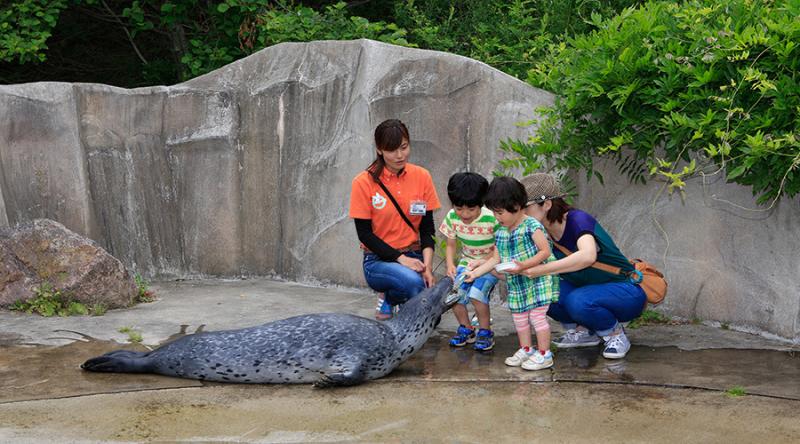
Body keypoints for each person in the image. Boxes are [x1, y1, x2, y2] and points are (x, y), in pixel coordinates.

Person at [520, 173, 646, 359]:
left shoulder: (578, 219)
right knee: (542, 291)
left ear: (546, 205)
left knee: (578, 300)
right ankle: (585, 332)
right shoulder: (540, 230)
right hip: (588, 291)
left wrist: (542, 269)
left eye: (525, 207)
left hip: (626, 292)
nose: (521, 214)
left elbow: (587, 256)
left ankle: (614, 334)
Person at [462, 177, 559, 370]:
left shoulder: (532, 226)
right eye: (495, 212)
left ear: (516, 206)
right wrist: (475, 274)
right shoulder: (501, 232)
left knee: (537, 318)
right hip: (518, 283)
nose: (497, 218)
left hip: (538, 280)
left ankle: (544, 354)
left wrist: (523, 265)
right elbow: (494, 260)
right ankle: (526, 349)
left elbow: (545, 252)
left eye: (500, 212)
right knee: (520, 317)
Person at [349, 119, 441, 320]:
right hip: (378, 260)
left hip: (415, 255)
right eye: (392, 150)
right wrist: (401, 259)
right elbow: (364, 234)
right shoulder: (363, 183)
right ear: (380, 150)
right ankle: (389, 296)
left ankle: (394, 297)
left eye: (404, 147)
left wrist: (427, 267)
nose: (400, 155)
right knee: (414, 283)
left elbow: (427, 230)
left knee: (429, 300)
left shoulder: (422, 176)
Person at [439, 172, 500, 351]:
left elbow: (499, 250)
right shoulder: (452, 217)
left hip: (489, 264)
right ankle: (466, 328)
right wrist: (450, 264)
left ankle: (485, 332)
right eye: (459, 208)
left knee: (477, 294)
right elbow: (450, 244)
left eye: (471, 209)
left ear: (481, 203)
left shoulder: (493, 218)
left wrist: (484, 262)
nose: (464, 214)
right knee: (454, 294)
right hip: (467, 263)